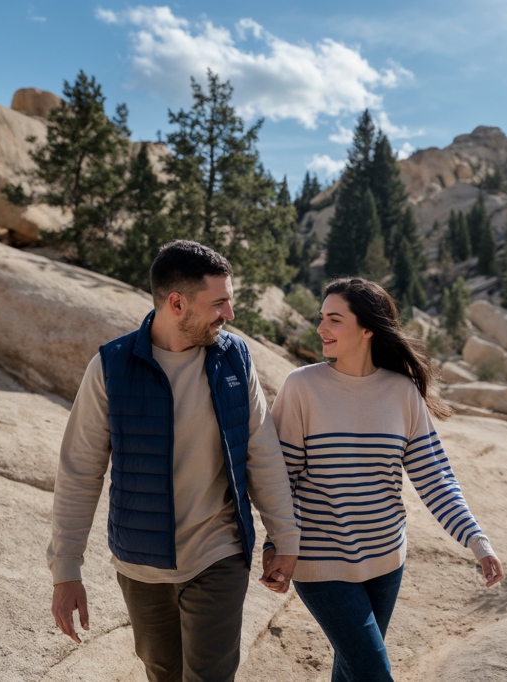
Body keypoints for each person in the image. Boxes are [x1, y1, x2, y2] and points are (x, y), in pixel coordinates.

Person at [47, 240, 300, 682]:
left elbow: (261, 451)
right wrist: (66, 569)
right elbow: (80, 471)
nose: (229, 314)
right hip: (141, 565)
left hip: (219, 554)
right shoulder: (112, 367)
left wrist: (286, 535)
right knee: (163, 673)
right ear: (176, 303)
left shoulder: (234, 359)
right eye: (218, 303)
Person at [262, 277, 505, 682]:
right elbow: (279, 478)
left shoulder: (401, 392)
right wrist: (278, 544)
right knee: (373, 672)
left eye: (334, 319)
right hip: (321, 561)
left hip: (386, 559)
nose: (321, 328)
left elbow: (435, 477)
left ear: (368, 328)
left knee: (353, 668)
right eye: (321, 317)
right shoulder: (302, 387)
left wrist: (477, 541)